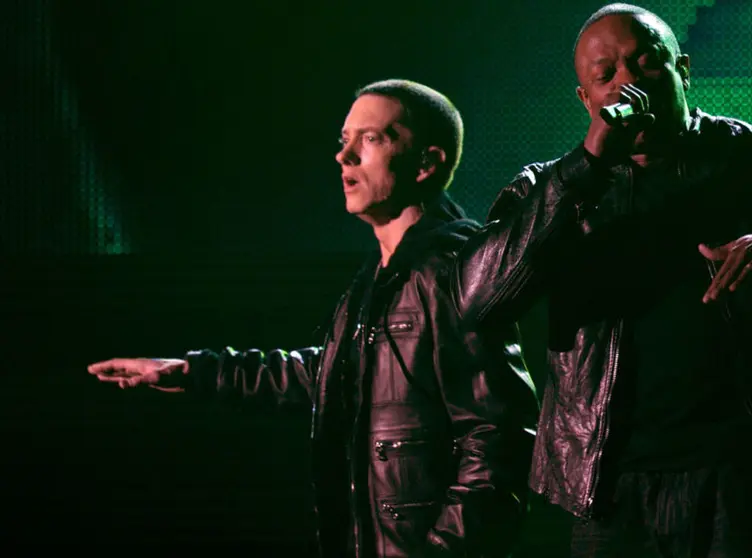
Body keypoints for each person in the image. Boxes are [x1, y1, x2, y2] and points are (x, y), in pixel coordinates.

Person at [453, 4, 752, 557]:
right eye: (605, 74)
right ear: (584, 100)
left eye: (647, 62)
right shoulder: (554, 190)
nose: (629, 82)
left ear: (683, 70)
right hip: (615, 496)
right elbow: (476, 300)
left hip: (751, 485)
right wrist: (586, 164)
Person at [88, 79, 539, 558]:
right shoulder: (376, 284)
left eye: (370, 139)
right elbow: (322, 374)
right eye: (343, 140)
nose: (344, 157)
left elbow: (501, 437)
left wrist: (443, 550)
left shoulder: (452, 271)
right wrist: (192, 371)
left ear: (427, 163)